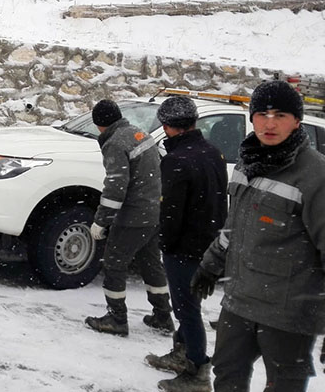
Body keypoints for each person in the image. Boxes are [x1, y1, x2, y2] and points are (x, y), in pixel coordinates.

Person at [192, 80, 325, 392]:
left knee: (284, 385)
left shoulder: (315, 175)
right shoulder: (247, 163)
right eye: (262, 114)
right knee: (225, 375)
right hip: (239, 301)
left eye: (280, 115)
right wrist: (210, 265)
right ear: (251, 118)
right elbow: (234, 227)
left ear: (296, 121)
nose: (269, 123)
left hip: (288, 312)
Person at [145, 96, 227, 392]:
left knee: (187, 310)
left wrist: (165, 244)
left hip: (184, 247)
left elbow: (171, 212)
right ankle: (182, 353)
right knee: (189, 304)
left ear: (166, 126)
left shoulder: (177, 160)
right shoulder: (213, 152)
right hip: (209, 243)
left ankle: (196, 371)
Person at [84, 99, 173, 337]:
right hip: (153, 212)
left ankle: (117, 319)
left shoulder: (115, 143)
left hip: (133, 216)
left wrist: (101, 221)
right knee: (151, 263)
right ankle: (163, 315)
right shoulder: (139, 134)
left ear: (100, 125)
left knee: (114, 262)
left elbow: (115, 186)